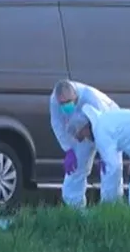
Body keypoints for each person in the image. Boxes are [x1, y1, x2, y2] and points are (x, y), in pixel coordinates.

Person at [49, 79, 119, 208]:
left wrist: (104, 152)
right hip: (82, 129)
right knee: (76, 168)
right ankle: (75, 208)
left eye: (68, 102)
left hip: (108, 128)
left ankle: (111, 207)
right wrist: (68, 149)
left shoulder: (91, 98)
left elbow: (104, 126)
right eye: (62, 103)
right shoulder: (55, 99)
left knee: (111, 169)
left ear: (76, 96)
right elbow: (57, 124)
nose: (65, 106)